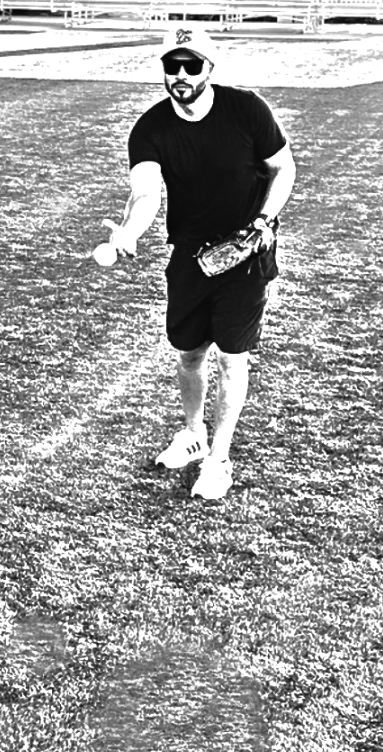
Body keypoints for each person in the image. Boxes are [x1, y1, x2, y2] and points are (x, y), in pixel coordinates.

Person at [104, 27, 296, 500]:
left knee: (233, 358)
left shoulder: (246, 110)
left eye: (192, 65)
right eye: (174, 66)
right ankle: (193, 436)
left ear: (210, 68)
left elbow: (283, 167)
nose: (182, 75)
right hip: (190, 255)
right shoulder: (150, 129)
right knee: (189, 354)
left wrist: (265, 219)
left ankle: (219, 458)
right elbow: (146, 191)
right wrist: (130, 230)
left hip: (246, 252)